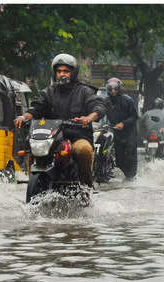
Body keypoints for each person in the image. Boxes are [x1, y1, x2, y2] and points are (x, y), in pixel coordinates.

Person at [14, 53, 106, 188]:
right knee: (33, 150)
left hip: (77, 137)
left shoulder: (84, 91)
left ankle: (86, 188)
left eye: (66, 71)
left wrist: (88, 118)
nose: (62, 74)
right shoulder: (48, 92)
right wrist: (23, 117)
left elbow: (99, 106)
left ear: (73, 73)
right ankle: (35, 183)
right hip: (52, 139)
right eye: (59, 71)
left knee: (84, 150)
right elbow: (35, 109)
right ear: (54, 73)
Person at [104, 78, 138, 181]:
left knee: (130, 156)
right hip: (115, 132)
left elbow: (134, 117)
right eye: (111, 89)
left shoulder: (127, 100)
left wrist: (123, 123)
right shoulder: (106, 101)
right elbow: (100, 113)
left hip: (129, 132)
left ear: (119, 89)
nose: (113, 91)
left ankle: (131, 178)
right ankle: (126, 175)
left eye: (115, 89)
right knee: (119, 158)